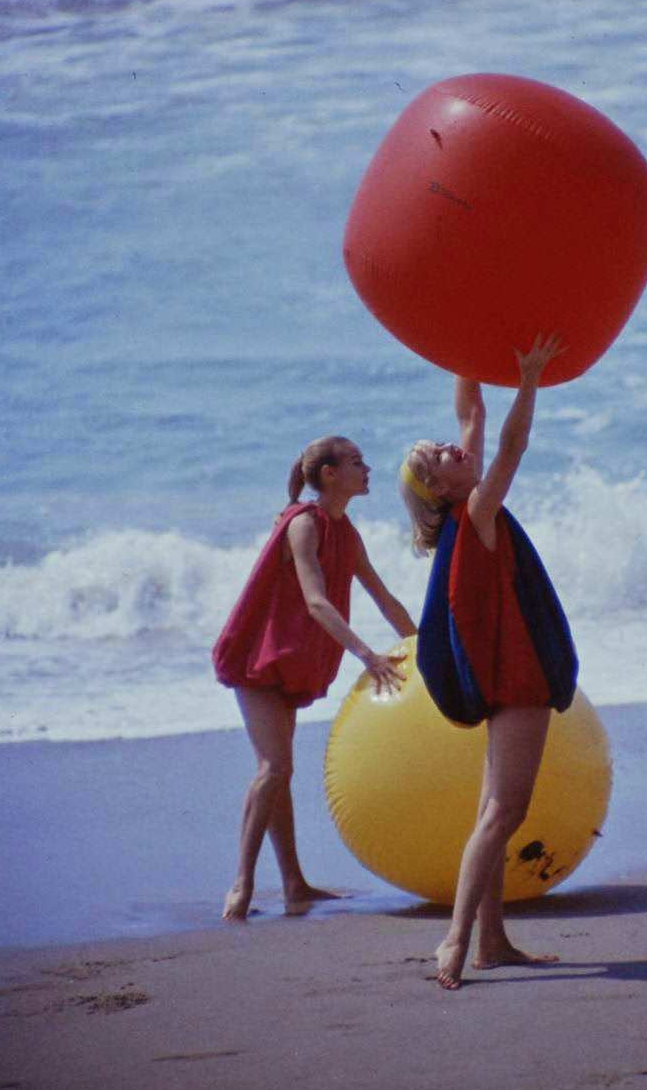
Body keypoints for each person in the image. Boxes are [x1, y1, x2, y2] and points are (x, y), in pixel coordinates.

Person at [397, 335, 578, 989]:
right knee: (505, 812)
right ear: (440, 488)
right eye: (439, 457)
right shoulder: (475, 509)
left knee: (491, 813)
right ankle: (454, 941)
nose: (453, 447)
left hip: (501, 673)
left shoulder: (460, 509)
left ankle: (492, 942)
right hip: (517, 677)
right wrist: (528, 379)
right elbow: (510, 447)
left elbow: (471, 410)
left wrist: (461, 325)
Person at [213, 435, 417, 920]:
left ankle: (294, 887)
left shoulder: (347, 533)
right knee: (274, 768)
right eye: (355, 462)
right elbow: (316, 601)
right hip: (257, 658)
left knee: (281, 768)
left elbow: (384, 599)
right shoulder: (304, 525)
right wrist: (368, 656)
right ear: (329, 474)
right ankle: (241, 887)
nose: (367, 469)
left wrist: (422, 644)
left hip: (294, 661)